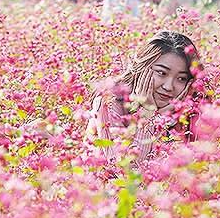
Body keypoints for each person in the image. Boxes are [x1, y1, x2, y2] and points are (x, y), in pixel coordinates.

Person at [86, 31, 204, 177]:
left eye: (181, 79)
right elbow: (126, 174)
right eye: (161, 73)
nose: (168, 86)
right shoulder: (109, 102)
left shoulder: (187, 114)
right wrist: (148, 117)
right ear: (143, 69)